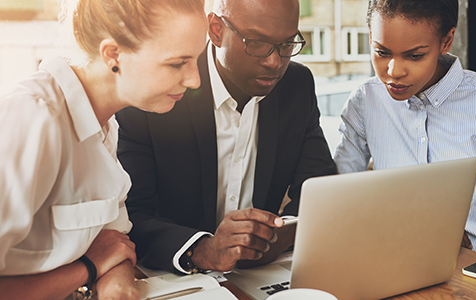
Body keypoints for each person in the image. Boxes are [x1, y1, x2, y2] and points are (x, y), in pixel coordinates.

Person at [0, 0, 207, 298]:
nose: (194, 79)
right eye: (177, 63)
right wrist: (87, 268)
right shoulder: (32, 118)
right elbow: (100, 256)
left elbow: (114, 244)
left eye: (197, 60)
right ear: (113, 54)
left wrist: (118, 288)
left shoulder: (105, 123)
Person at [116, 0, 336, 274]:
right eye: (256, 42)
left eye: (287, 44)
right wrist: (201, 250)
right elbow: (129, 213)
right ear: (216, 30)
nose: (274, 62)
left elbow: (319, 184)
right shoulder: (161, 87)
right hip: (173, 275)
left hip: (260, 272)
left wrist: (285, 232)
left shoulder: (296, 84)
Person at [334, 0, 476, 275]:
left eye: (414, 56)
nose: (394, 71)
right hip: (402, 270)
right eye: (381, 51)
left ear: (446, 41)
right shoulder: (365, 101)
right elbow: (341, 203)